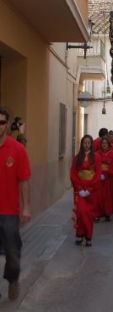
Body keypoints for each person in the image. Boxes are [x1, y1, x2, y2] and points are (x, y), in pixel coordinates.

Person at [0, 107, 31, 301]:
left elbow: (24, 179)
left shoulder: (17, 149)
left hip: (9, 211)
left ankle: (12, 280)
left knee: (12, 252)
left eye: (2, 122)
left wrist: (26, 207)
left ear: (7, 124)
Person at [70, 135, 101, 247]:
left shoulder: (96, 157)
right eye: (84, 143)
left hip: (91, 191)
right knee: (81, 212)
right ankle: (79, 233)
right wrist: (79, 188)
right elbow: (73, 174)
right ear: (82, 144)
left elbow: (97, 175)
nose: (86, 145)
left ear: (91, 144)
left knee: (88, 214)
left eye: (89, 143)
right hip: (80, 189)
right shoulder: (76, 158)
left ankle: (88, 236)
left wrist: (89, 189)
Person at [95, 136, 113, 222]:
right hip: (99, 179)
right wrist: (99, 174)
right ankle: (98, 214)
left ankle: (107, 213)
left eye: (106, 143)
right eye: (103, 143)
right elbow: (94, 166)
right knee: (98, 197)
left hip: (109, 179)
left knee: (108, 197)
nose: (104, 145)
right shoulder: (97, 154)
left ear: (108, 144)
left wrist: (107, 173)